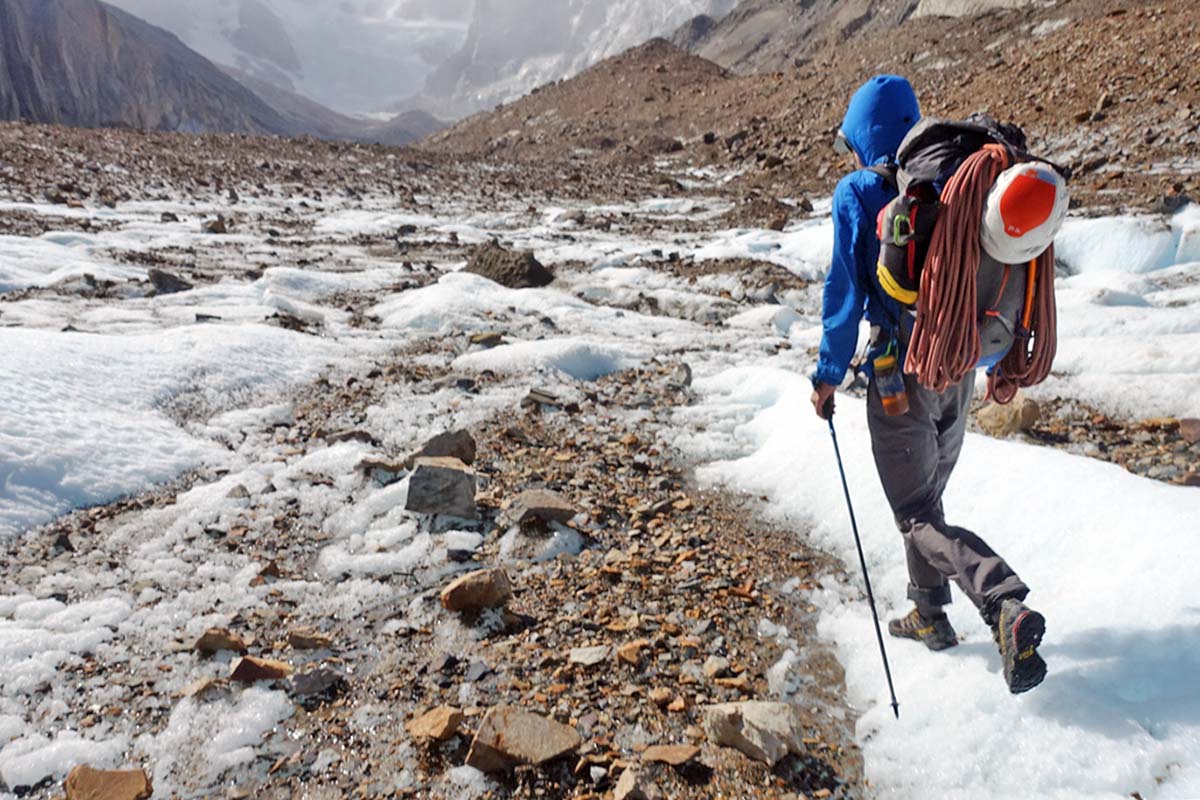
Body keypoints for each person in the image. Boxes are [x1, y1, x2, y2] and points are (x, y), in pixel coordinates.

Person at [809, 75, 1047, 694]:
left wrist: (827, 374)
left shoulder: (859, 192)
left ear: (862, 134)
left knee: (915, 512)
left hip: (900, 370)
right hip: (960, 365)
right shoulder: (956, 184)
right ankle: (929, 613)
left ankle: (1002, 601)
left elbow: (843, 293)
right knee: (927, 497)